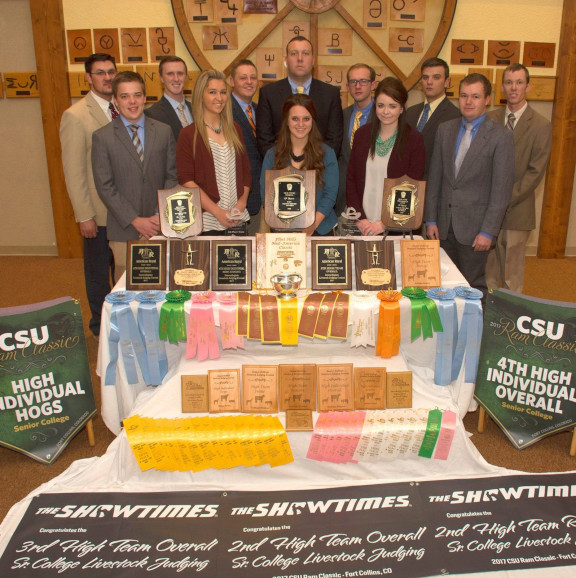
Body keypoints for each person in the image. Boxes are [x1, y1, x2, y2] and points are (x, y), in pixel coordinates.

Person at [425, 73, 514, 300]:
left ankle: (473, 334)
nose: (468, 102)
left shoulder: (500, 137)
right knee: (442, 284)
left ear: (487, 99)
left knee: (472, 286)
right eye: (464, 96)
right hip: (443, 226)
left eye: (475, 96)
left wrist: (488, 231)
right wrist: (431, 219)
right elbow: (435, 177)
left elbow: (500, 190)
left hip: (476, 230)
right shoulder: (445, 130)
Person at [92, 71, 177, 281]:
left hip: (161, 228)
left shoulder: (164, 132)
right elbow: (105, 186)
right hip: (124, 230)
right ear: (115, 100)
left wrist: (159, 215)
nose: (132, 101)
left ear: (145, 97)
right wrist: (135, 220)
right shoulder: (102, 137)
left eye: (137, 95)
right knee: (126, 290)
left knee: (163, 284)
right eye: (124, 96)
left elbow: (172, 176)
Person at [60, 53, 117, 337]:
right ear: (88, 78)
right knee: (98, 273)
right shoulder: (75, 116)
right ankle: (99, 326)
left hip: (125, 209)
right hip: (97, 211)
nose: (107, 77)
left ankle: (120, 319)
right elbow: (74, 172)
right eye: (100, 73)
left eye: (111, 72)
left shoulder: (125, 107)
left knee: (122, 269)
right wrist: (84, 215)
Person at [486, 64, 552, 293]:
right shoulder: (490, 119)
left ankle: (510, 321)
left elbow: (535, 171)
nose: (513, 88)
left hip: (517, 208)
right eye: (509, 82)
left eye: (519, 82)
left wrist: (503, 199)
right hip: (487, 210)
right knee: (489, 270)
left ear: (528, 86)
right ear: (502, 87)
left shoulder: (541, 125)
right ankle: (490, 318)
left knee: (512, 273)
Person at [346, 77, 426, 236]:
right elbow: (351, 179)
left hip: (397, 228)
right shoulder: (362, 135)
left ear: (402, 108)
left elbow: (412, 188)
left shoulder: (414, 139)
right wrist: (360, 218)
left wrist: (384, 223)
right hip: (362, 225)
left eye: (392, 106)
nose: (386, 111)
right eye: (381, 105)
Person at [176, 69, 251, 235]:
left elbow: (246, 172)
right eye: (212, 92)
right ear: (200, 95)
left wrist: (241, 203)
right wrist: (217, 212)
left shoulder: (235, 129)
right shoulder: (188, 134)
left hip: (237, 218)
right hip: (208, 221)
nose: (219, 98)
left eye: (223, 92)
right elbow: (186, 180)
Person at [260, 94, 338, 236]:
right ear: (287, 121)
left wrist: (312, 224)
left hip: (319, 229)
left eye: (306, 119)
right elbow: (265, 194)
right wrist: (283, 224)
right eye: (295, 118)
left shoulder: (327, 153)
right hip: (283, 233)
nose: (300, 124)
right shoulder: (272, 155)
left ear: (313, 121)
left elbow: (330, 194)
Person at [257, 35, 343, 157]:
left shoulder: (331, 94)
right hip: (280, 170)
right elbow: (264, 141)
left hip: (320, 169)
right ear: (286, 60)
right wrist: (290, 166)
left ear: (313, 60)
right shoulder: (268, 94)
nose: (300, 58)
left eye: (306, 53)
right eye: (294, 53)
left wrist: (311, 165)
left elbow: (334, 141)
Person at [405, 57, 460, 179]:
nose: (429, 82)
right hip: (407, 184)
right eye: (425, 77)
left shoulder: (455, 116)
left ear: (447, 82)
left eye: (436, 77)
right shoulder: (410, 112)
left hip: (435, 187)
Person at [336, 63, 378, 215]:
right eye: (353, 82)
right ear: (347, 86)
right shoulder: (340, 116)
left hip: (374, 196)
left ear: (373, 84)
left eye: (363, 81)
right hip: (342, 198)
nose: (358, 86)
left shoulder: (383, 117)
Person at [229, 59, 263, 235]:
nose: (249, 82)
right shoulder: (223, 110)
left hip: (255, 199)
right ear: (232, 81)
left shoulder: (261, 110)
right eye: (243, 78)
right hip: (231, 202)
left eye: (253, 77)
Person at [144, 55, 193, 141]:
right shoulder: (151, 115)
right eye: (170, 74)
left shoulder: (198, 110)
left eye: (180, 73)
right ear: (161, 78)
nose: (176, 79)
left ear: (186, 77)